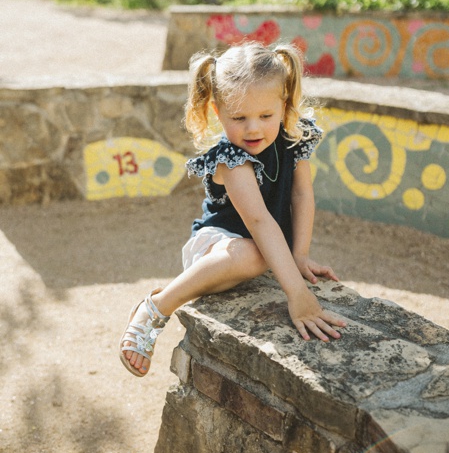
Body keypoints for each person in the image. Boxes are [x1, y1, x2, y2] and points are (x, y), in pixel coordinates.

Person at [119, 43, 346, 377]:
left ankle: (272, 260)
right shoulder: (230, 159)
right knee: (252, 253)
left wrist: (299, 255)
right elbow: (257, 220)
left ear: (283, 106)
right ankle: (158, 305)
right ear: (217, 111)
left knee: (259, 252)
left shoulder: (295, 136)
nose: (252, 129)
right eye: (238, 118)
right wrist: (297, 294)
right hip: (218, 245)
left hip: (262, 245)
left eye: (266, 116)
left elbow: (302, 195)